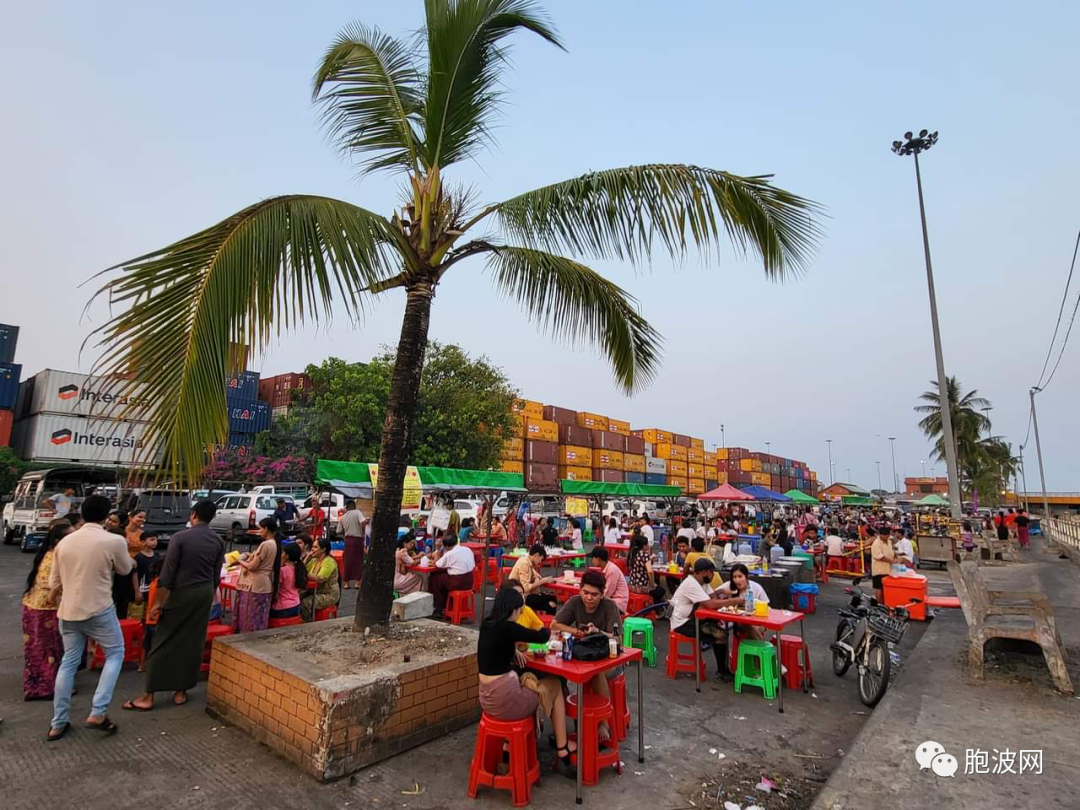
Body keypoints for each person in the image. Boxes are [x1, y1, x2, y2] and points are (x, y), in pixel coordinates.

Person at [123, 499, 224, 712]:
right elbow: (216, 575)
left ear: (193, 514)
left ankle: (149, 694)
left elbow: (166, 575)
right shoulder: (217, 540)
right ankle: (181, 691)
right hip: (204, 592)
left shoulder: (180, 537)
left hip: (180, 592)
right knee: (192, 641)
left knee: (164, 639)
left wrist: (157, 603)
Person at [47, 495, 135, 740]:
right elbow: (125, 569)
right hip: (99, 607)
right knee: (115, 653)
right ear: (107, 517)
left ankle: (58, 722)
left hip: (68, 609)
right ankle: (98, 710)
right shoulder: (114, 540)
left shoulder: (65, 542)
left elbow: (53, 582)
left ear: (82, 514)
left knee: (69, 662)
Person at [477, 587, 576, 777]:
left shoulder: (488, 624)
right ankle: (562, 749)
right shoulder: (509, 627)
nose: (520, 614)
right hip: (506, 702)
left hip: (487, 698)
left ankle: (508, 748)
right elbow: (542, 636)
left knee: (529, 683)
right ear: (513, 609)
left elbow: (495, 645)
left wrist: (512, 650)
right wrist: (547, 627)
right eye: (520, 611)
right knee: (554, 683)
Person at [550, 570, 623, 739]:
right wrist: (577, 632)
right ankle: (570, 722)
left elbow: (618, 639)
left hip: (609, 660)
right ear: (580, 590)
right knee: (556, 675)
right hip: (585, 656)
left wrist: (598, 632)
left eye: (594, 595)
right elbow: (555, 624)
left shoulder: (609, 606)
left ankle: (603, 724)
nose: (589, 598)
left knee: (595, 674)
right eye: (586, 593)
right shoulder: (575, 602)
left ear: (602, 594)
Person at [23, 520, 73, 700]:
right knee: (49, 649)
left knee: (38, 648)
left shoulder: (47, 554)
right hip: (46, 609)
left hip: (34, 607)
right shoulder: (55, 557)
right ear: (59, 540)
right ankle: (48, 687)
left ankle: (40, 685)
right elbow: (52, 584)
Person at [669, 558, 734, 679]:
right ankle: (722, 671)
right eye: (711, 572)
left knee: (718, 627)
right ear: (704, 572)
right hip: (682, 623)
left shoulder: (704, 583)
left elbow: (711, 597)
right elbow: (710, 604)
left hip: (691, 619)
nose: (713, 575)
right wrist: (734, 600)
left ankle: (723, 669)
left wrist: (722, 594)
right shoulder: (691, 583)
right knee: (721, 635)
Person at [232, 517, 279, 633]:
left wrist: (239, 561)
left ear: (266, 529)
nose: (259, 531)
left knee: (250, 618)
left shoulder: (266, 544)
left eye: (260, 529)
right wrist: (250, 556)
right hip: (264, 584)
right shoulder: (274, 543)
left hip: (255, 585)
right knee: (259, 618)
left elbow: (253, 566)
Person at [714, 563, 769, 640]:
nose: (737, 580)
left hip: (757, 620)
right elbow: (711, 596)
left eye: (740, 577)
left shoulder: (756, 588)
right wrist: (722, 591)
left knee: (754, 629)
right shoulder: (729, 586)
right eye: (734, 577)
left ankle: (755, 648)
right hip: (738, 623)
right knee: (745, 626)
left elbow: (767, 606)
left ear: (747, 577)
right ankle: (763, 648)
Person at [429, 533, 476, 616]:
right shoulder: (467, 549)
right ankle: (447, 605)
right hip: (470, 580)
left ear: (446, 546)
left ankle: (439, 607)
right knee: (442, 577)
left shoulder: (450, 554)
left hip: (458, 582)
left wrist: (438, 550)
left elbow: (437, 564)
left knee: (434, 578)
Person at [507, 544, 558, 614]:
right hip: (519, 597)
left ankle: (545, 623)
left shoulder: (527, 562)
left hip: (524, 595)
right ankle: (548, 623)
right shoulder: (524, 563)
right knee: (552, 598)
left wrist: (538, 580)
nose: (540, 563)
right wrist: (542, 581)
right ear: (536, 556)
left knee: (550, 605)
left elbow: (537, 576)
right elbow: (525, 588)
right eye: (541, 559)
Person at [301, 537, 340, 621]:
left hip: (329, 595)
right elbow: (301, 570)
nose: (312, 549)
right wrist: (307, 557)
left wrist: (306, 574)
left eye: (315, 547)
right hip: (315, 592)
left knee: (306, 603)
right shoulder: (314, 560)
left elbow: (320, 579)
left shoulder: (329, 562)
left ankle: (308, 624)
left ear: (323, 549)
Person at [627, 530, 666, 604]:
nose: (648, 545)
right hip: (642, 587)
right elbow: (650, 572)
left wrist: (650, 559)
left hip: (632, 586)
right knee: (661, 591)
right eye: (647, 543)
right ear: (644, 545)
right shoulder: (645, 555)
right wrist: (652, 585)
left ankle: (654, 608)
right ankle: (656, 611)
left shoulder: (632, 553)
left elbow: (640, 563)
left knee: (656, 588)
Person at [270, 541, 305, 621]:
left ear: (287, 555)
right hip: (296, 605)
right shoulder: (299, 568)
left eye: (283, 553)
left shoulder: (282, 571)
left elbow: (275, 592)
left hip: (282, 608)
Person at [128, 530, 158, 620]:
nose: (155, 542)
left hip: (152, 592)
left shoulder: (157, 556)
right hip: (140, 592)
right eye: (152, 539)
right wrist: (137, 592)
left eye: (156, 539)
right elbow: (135, 575)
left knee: (149, 617)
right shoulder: (138, 557)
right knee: (136, 617)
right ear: (143, 542)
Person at [588, 546, 629, 613]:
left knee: (591, 605)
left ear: (598, 559)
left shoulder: (611, 570)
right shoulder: (607, 568)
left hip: (617, 604)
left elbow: (607, 593)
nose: (592, 560)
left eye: (593, 558)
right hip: (611, 601)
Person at [339, 499, 366, 590]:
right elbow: (363, 522)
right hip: (357, 539)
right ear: (354, 506)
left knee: (347, 561)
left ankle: (346, 583)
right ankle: (357, 583)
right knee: (358, 560)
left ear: (346, 507)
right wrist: (363, 530)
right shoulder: (357, 512)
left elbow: (338, 531)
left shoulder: (343, 517)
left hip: (347, 540)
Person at [869, 527, 897, 601]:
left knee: (885, 588)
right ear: (881, 535)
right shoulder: (876, 543)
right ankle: (878, 604)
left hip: (888, 569)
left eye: (888, 535)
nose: (887, 537)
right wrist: (891, 561)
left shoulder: (889, 540)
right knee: (879, 588)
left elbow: (892, 548)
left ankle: (884, 603)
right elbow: (879, 556)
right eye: (885, 536)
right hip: (879, 570)